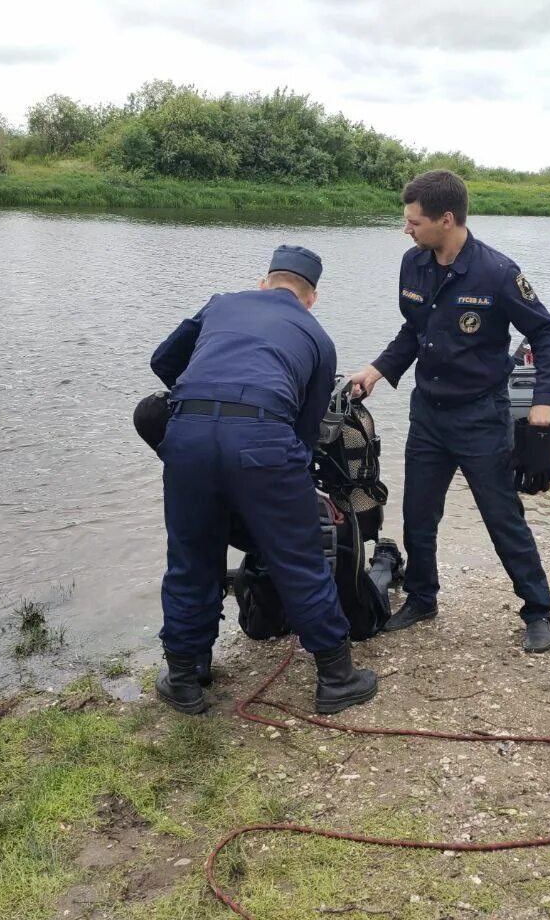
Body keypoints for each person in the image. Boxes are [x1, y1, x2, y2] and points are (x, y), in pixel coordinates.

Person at [148, 245, 379, 714]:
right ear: (311, 297)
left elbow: (163, 363)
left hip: (187, 436)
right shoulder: (317, 336)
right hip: (264, 439)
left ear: (263, 282)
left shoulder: (220, 304)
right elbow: (307, 429)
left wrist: (203, 405)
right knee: (298, 556)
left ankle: (184, 678)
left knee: (191, 556)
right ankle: (336, 679)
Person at [350, 170, 550, 653]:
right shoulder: (413, 264)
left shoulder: (497, 273)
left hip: (480, 416)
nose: (407, 230)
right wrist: (377, 370)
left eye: (413, 221)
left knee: (501, 515)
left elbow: (547, 334)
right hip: (427, 413)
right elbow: (413, 331)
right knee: (417, 516)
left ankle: (537, 609)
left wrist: (544, 403)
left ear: (446, 220)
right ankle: (423, 598)